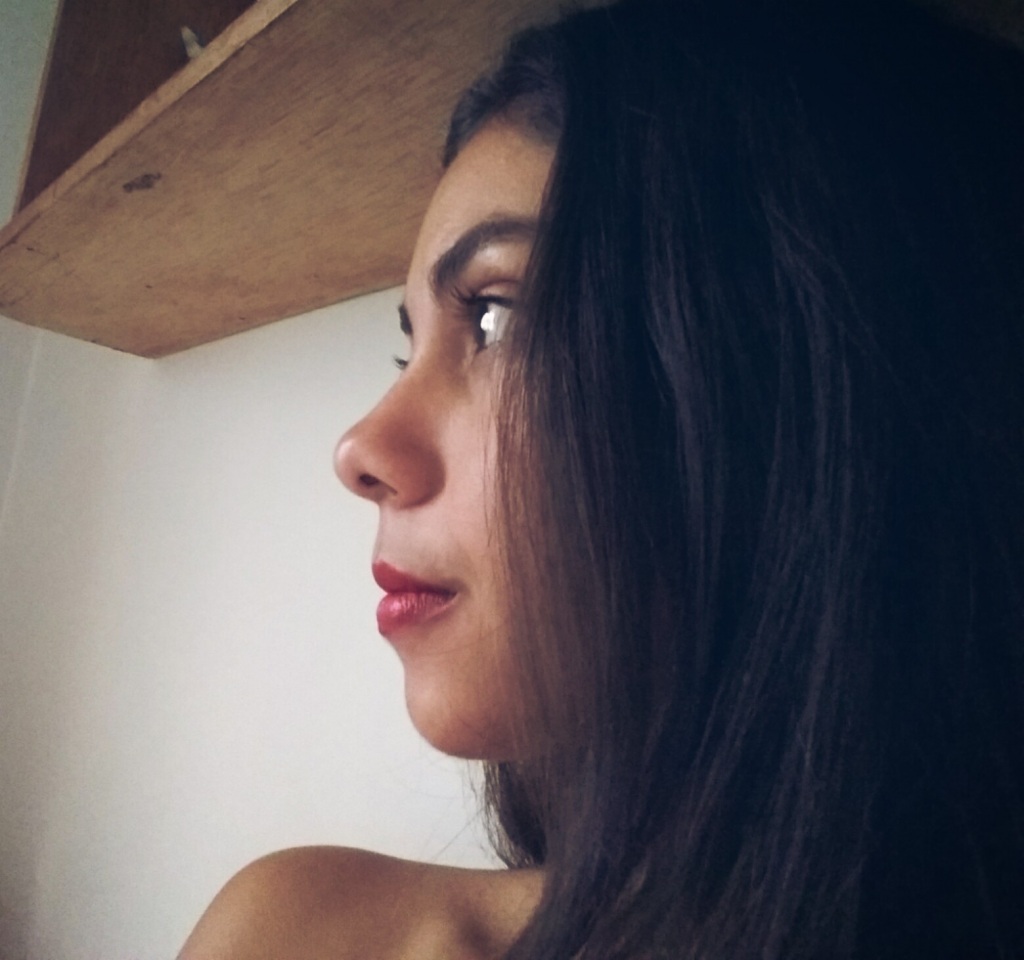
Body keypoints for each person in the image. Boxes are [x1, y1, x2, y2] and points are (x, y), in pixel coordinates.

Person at [178, 0, 1024, 957]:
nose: (360, 449)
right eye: (407, 349)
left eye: (495, 319)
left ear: (812, 386)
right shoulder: (304, 935)